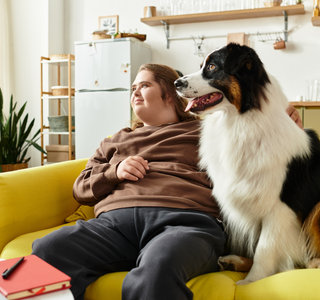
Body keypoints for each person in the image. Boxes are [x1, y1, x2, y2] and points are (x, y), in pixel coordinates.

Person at [32, 64, 302, 300]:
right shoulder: (116, 141)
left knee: (158, 266)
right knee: (49, 249)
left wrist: (285, 125)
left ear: (171, 95)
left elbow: (260, 154)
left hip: (184, 223)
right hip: (114, 227)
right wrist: (115, 171)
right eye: (133, 87)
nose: (135, 92)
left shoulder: (208, 130)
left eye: (145, 85)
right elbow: (81, 188)